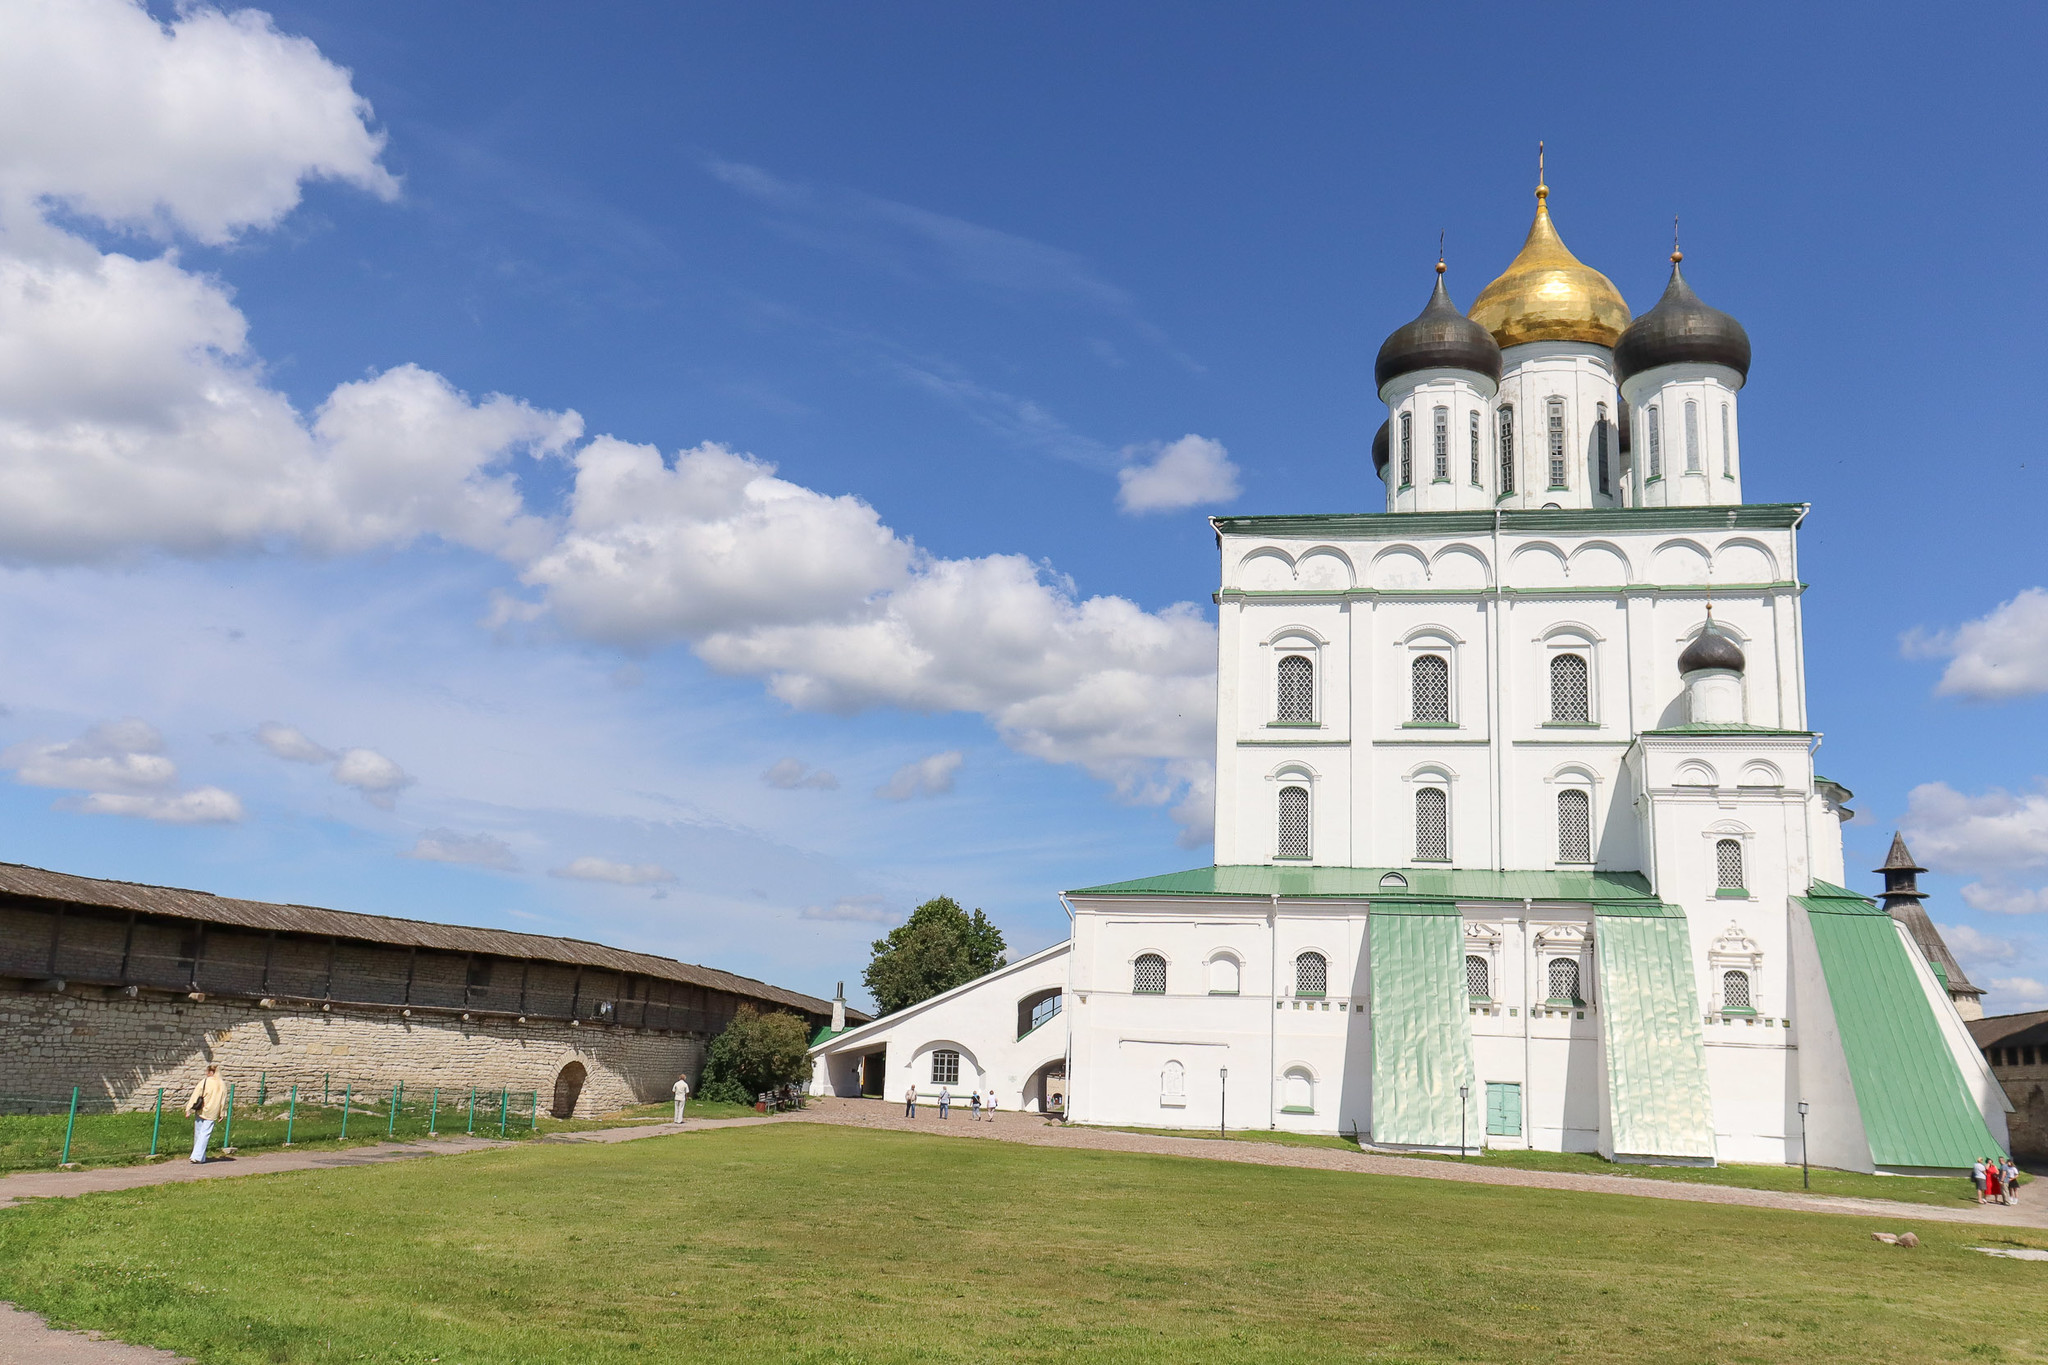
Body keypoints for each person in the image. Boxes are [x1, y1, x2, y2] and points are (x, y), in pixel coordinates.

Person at [184, 1063, 228, 1164]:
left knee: (199, 1134)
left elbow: (195, 1095)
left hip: (201, 1109)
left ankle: (197, 1156)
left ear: (210, 1072)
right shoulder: (222, 1084)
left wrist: (189, 1109)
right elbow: (223, 1100)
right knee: (204, 1134)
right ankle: (200, 1156)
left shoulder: (204, 1082)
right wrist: (222, 1113)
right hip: (213, 1111)